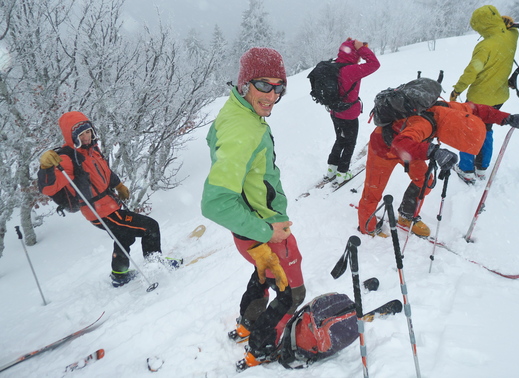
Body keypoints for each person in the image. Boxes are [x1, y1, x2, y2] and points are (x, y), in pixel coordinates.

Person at [201, 47, 306, 370]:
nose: (272, 95)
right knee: (293, 293)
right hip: (262, 228)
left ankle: (249, 322)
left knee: (264, 273)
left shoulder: (237, 113)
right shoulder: (243, 129)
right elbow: (215, 203)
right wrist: (267, 229)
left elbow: (214, 141)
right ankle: (262, 347)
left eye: (279, 87)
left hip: (249, 229)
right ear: (244, 84)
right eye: (264, 85)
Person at [37, 111, 181, 287]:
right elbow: (48, 188)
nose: (86, 137)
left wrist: (119, 186)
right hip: (99, 211)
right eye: (80, 134)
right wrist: (45, 167)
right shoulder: (67, 158)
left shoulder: (92, 150)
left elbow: (105, 172)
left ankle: (120, 274)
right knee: (149, 226)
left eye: (88, 131)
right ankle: (155, 264)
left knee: (124, 235)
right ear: (72, 136)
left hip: (109, 204)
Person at [358, 100, 519, 237]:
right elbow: (399, 144)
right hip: (383, 148)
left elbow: (476, 109)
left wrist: (506, 118)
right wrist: (432, 150)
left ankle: (407, 215)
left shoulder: (452, 111)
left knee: (425, 180)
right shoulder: (424, 124)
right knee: (373, 191)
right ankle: (368, 227)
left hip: (410, 148)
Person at [450, 5, 519, 185]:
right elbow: (514, 29)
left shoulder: (485, 46)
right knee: (487, 129)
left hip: (479, 99)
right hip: (500, 96)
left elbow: (472, 71)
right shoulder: (512, 36)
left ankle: (466, 169)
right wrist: (506, 24)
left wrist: (457, 89)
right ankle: (482, 167)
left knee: (469, 130)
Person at [324, 38, 380, 184]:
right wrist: (362, 49)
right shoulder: (351, 70)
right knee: (350, 142)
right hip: (348, 114)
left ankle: (332, 169)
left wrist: (352, 45)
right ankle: (342, 172)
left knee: (340, 139)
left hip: (334, 112)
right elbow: (375, 64)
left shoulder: (334, 65)